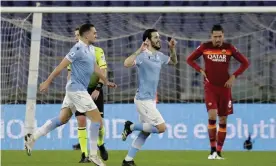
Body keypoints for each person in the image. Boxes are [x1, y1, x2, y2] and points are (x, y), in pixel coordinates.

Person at [24, 23, 116, 166]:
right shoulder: (77, 49)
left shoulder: (90, 49)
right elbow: (61, 66)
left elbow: (95, 67)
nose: (96, 35)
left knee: (62, 119)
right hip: (76, 89)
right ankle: (92, 154)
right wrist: (48, 81)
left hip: (75, 89)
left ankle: (32, 137)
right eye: (94, 33)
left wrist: (106, 80)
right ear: (86, 35)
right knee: (98, 121)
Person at [186, 24, 249, 159]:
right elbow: (189, 59)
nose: (218, 39)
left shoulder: (229, 48)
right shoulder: (205, 47)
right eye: (215, 37)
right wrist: (200, 70)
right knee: (212, 115)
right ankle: (212, 150)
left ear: (223, 36)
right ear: (211, 36)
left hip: (225, 88)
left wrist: (233, 76)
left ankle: (219, 152)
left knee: (223, 119)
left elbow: (245, 63)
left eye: (220, 36)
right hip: (210, 87)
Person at [121, 29, 178, 166]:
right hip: (143, 99)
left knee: (145, 132)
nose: (159, 39)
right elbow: (126, 64)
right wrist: (138, 51)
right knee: (161, 127)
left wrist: (172, 49)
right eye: (155, 37)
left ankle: (128, 160)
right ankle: (131, 126)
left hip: (151, 100)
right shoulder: (142, 56)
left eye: (159, 37)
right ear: (147, 40)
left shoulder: (159, 55)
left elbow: (174, 62)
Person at [69, 27, 108, 162]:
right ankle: (85, 155)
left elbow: (103, 70)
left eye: (77, 35)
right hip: (79, 90)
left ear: (83, 36)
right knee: (81, 120)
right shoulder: (74, 52)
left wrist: (98, 88)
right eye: (74, 36)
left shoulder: (97, 51)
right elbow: (70, 73)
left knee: (99, 124)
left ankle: (101, 144)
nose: (75, 38)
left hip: (95, 90)